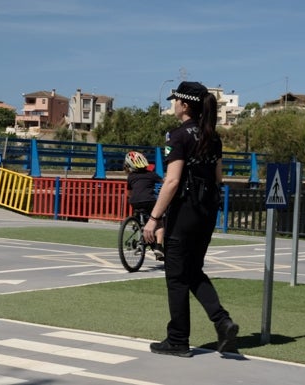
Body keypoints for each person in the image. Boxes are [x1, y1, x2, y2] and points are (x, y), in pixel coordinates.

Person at [143, 81, 238, 357]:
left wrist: (154, 218)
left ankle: (177, 340)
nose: (173, 104)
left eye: (176, 101)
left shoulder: (178, 136)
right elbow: (219, 178)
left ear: (184, 105)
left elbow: (172, 181)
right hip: (206, 212)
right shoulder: (213, 136)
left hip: (184, 213)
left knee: (176, 276)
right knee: (194, 270)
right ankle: (222, 322)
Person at [125, 151, 165, 260]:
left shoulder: (131, 177)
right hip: (149, 201)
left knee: (141, 217)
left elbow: (128, 194)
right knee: (159, 223)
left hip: (134, 202)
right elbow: (165, 184)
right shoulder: (151, 174)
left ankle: (140, 230)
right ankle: (158, 247)